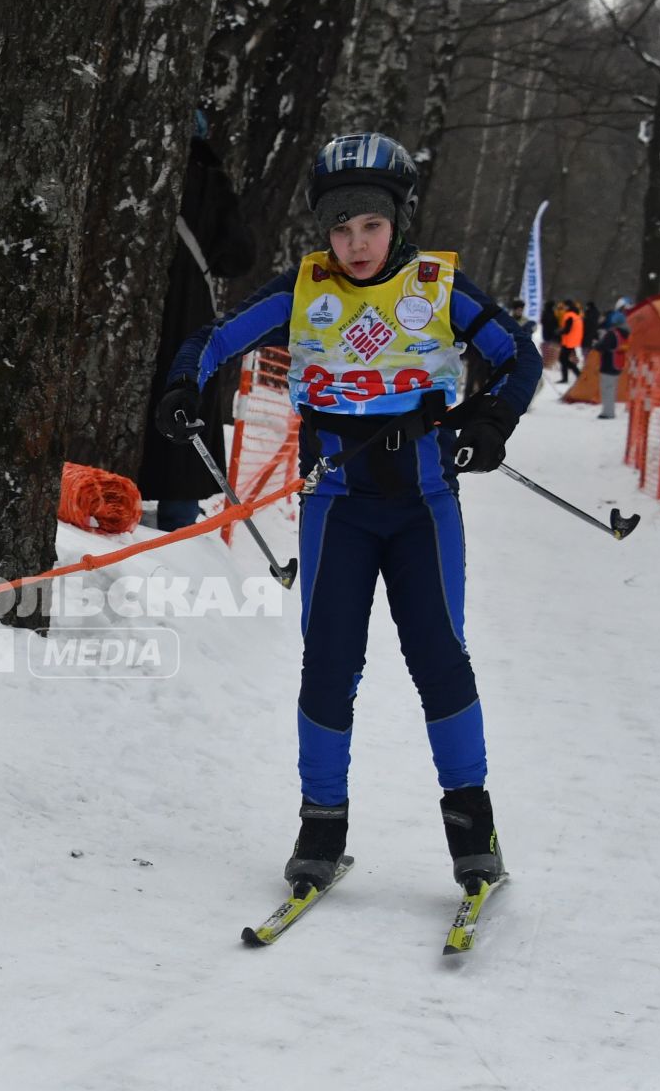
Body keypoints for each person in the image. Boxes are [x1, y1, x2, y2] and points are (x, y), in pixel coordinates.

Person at [154, 131, 540, 895]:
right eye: (340, 227)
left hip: (425, 507)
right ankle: (320, 826)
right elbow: (210, 339)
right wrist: (178, 389)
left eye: (370, 225)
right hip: (336, 508)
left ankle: (472, 828)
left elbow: (518, 355)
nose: (356, 244)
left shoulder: (437, 286)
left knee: (440, 661)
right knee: (328, 668)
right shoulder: (301, 290)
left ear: (399, 220)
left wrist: (491, 420)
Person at [138, 112, 256, 530]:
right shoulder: (212, 183)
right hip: (190, 313)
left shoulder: (133, 165)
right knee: (185, 396)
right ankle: (178, 517)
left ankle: (108, 500)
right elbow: (240, 256)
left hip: (132, 306)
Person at [592, 308, 629, 420]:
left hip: (609, 363)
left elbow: (603, 346)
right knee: (612, 388)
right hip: (618, 363)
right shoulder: (625, 333)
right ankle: (610, 410)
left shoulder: (613, 334)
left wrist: (596, 345)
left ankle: (608, 412)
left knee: (607, 389)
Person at [557, 300, 583, 384]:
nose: (563, 307)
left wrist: (559, 332)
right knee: (563, 359)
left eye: (564, 306)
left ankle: (578, 375)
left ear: (567, 306)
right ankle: (568, 377)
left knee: (562, 359)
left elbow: (567, 330)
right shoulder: (576, 315)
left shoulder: (569, 316)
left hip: (568, 341)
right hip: (573, 341)